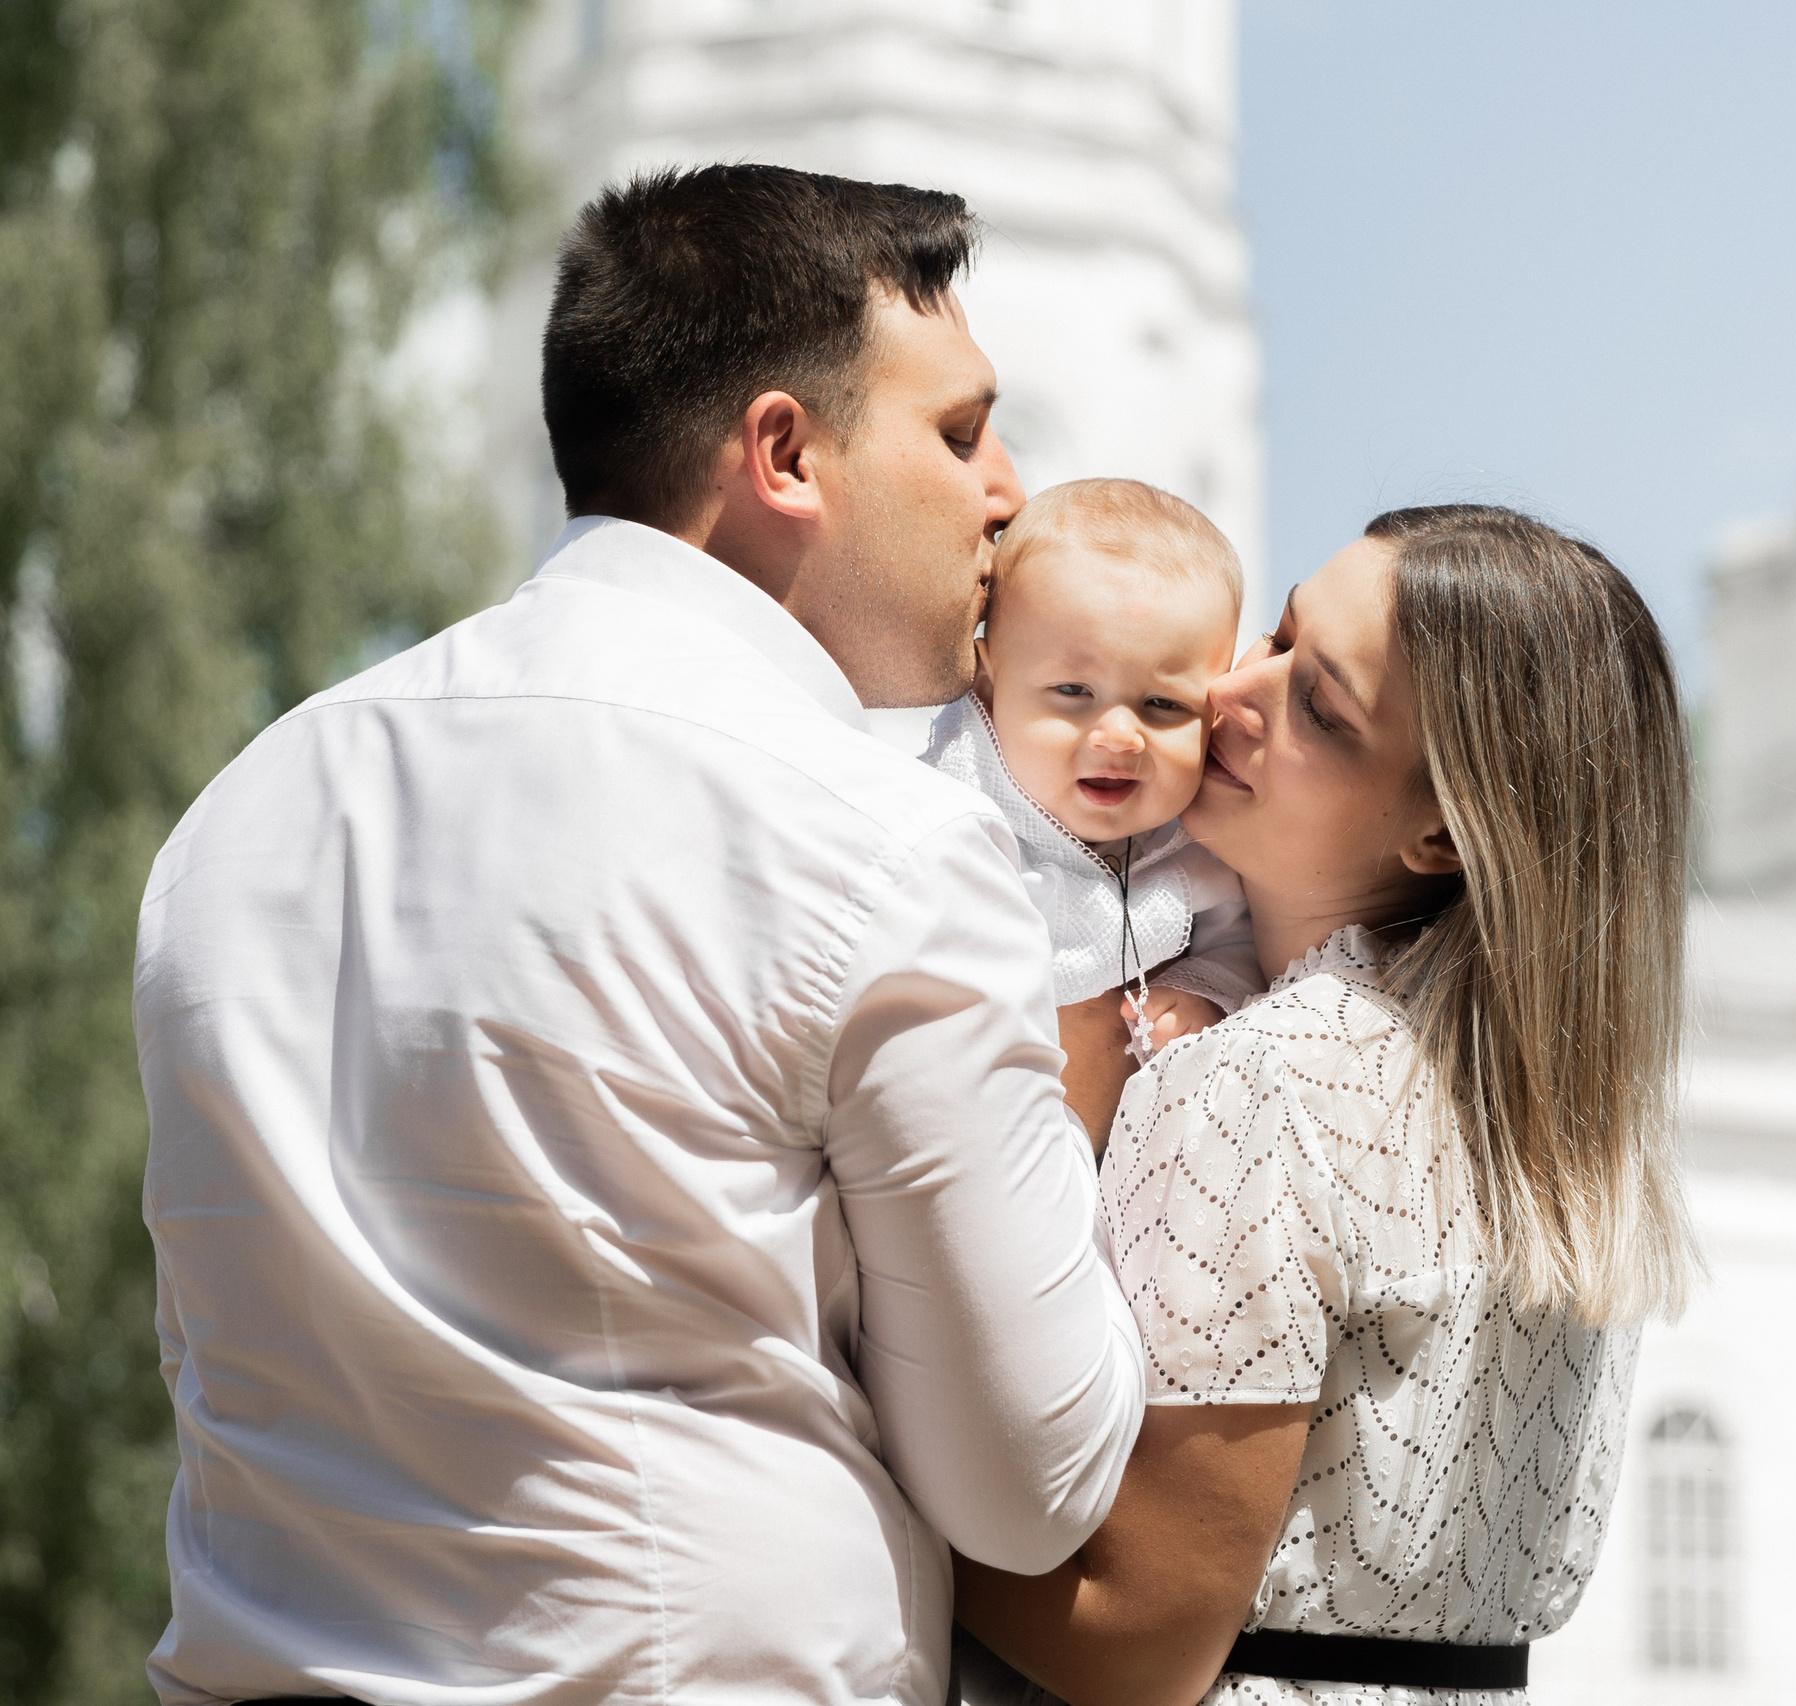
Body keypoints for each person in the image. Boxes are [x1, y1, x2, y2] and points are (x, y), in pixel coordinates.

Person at [134, 165, 1146, 1706]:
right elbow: (1031, 1479)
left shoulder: (243, 806)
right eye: (957, 432)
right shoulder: (872, 838)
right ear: (784, 454)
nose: (1008, 490)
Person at [953, 505, 1701, 1706]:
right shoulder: (1559, 1128)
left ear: (1444, 831)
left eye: (1322, 709)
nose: (1234, 693)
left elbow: (1139, 1639)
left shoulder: (1257, 1081)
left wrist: (843, 1467)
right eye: (1280, 635)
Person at [918, 479, 1261, 1079]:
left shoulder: (1193, 852)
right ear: (989, 683)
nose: (1120, 737)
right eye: (1073, 692)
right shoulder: (945, 816)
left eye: (1164, 706)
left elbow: (1238, 947)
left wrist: (1204, 990)